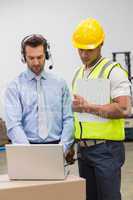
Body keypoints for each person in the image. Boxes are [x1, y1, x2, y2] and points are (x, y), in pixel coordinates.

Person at [71, 18, 131, 200]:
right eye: (80, 49)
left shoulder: (113, 71)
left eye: (89, 49)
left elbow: (123, 109)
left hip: (106, 151)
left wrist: (88, 107)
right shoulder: (79, 73)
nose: (84, 54)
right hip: (84, 150)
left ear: (101, 44)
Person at [5, 34, 74, 160]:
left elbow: (68, 119)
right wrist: (29, 154)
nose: (36, 62)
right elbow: (13, 124)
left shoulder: (60, 83)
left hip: (57, 147)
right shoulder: (14, 87)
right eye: (31, 58)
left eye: (40, 57)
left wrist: (63, 148)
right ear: (23, 57)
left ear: (46, 55)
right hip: (26, 148)